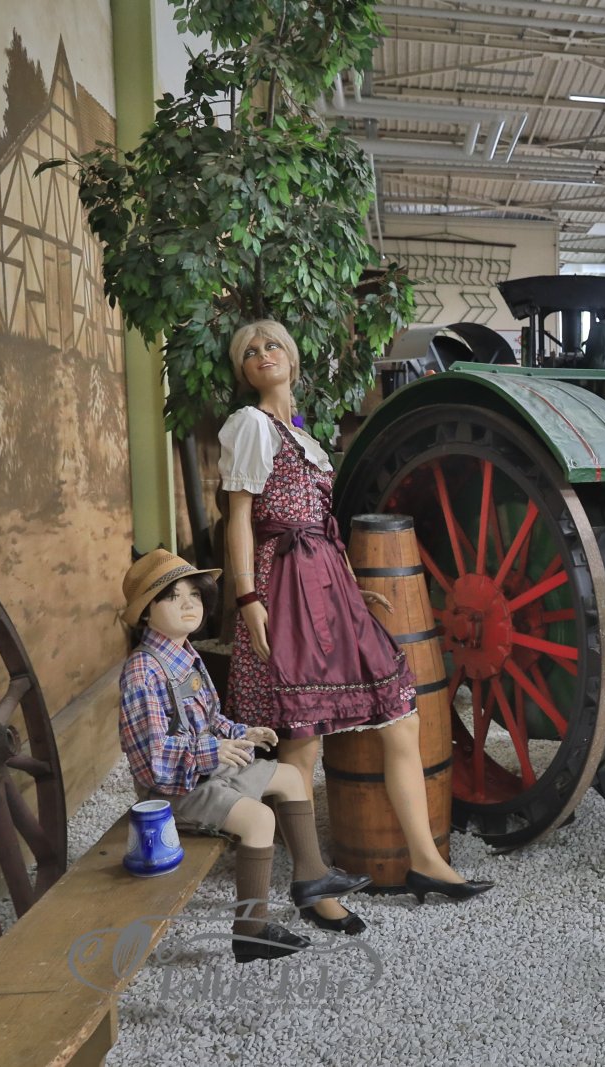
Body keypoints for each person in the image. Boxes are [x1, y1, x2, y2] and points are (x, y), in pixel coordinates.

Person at [218, 320, 492, 925]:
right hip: (283, 582)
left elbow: (324, 526)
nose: (263, 355)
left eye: (272, 345)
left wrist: (350, 586)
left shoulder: (301, 436)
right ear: (243, 370)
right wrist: (247, 597)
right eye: (250, 351)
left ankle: (425, 860)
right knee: (302, 738)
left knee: (401, 717)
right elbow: (240, 517)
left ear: (292, 358)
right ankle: (314, 885)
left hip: (328, 582)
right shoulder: (250, 425)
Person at [118, 549, 372, 962]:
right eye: (172, 597)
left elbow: (211, 719)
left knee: (291, 776)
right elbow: (153, 759)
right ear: (146, 612)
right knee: (260, 819)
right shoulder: (143, 671)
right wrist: (213, 750)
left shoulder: (186, 656)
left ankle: (312, 878)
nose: (188, 604)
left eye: (194, 595)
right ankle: (251, 932)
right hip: (172, 793)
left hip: (208, 772)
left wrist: (240, 734)